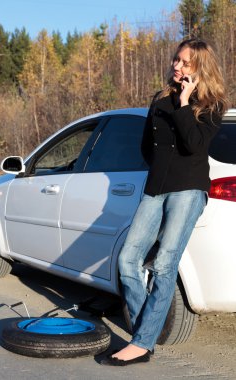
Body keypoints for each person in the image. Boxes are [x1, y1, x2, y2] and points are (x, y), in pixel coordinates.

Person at [100, 38, 229, 366]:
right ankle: (148, 331)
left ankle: (141, 342)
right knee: (128, 259)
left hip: (188, 190)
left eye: (185, 62)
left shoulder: (213, 104)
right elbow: (148, 147)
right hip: (155, 189)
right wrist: (158, 168)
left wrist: (185, 103)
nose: (177, 66)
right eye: (176, 60)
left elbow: (194, 144)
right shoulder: (159, 100)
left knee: (163, 265)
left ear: (199, 67)